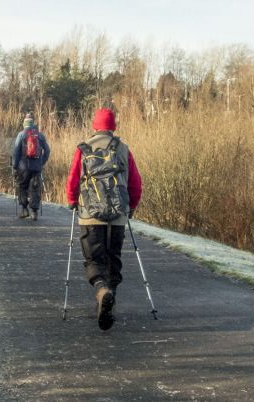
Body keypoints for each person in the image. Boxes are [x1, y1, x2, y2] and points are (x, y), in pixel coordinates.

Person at [65, 109, 142, 331]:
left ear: (94, 126)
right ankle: (110, 301)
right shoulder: (123, 148)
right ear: (113, 126)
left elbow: (73, 179)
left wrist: (72, 200)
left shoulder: (83, 148)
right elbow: (135, 182)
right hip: (117, 215)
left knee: (93, 259)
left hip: (90, 215)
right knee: (113, 258)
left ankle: (101, 291)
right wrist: (132, 205)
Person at [12, 113, 51, 220]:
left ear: (24, 125)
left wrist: (14, 165)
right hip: (36, 167)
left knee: (22, 187)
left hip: (23, 167)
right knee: (35, 188)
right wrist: (42, 162)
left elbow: (16, 152)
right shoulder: (40, 135)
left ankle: (24, 210)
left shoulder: (21, 134)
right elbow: (47, 150)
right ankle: (34, 212)